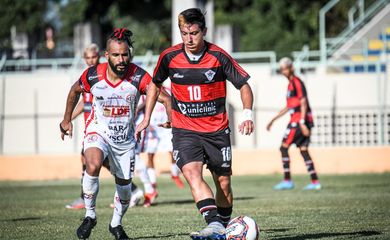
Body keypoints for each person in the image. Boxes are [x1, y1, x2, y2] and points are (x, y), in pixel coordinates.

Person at [135, 8, 254, 240]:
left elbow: (244, 85)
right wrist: (147, 117)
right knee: (191, 172)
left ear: (204, 31)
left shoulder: (218, 56)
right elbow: (154, 85)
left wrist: (247, 113)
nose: (189, 39)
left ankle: (223, 226)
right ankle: (214, 225)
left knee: (224, 183)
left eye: (194, 33)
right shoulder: (169, 56)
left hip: (216, 130)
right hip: (185, 129)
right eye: (184, 33)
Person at [60, 28, 171, 240]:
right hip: (98, 131)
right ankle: (90, 215)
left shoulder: (139, 76)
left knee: (125, 189)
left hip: (125, 140)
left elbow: (164, 98)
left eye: (125, 54)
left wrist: (165, 117)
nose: (121, 59)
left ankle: (115, 224)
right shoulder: (93, 75)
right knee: (92, 164)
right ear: (106, 55)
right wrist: (66, 120)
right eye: (116, 55)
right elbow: (75, 91)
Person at [65, 44, 143, 210]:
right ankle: (131, 190)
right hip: (93, 129)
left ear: (101, 56)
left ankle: (86, 199)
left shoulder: (103, 76)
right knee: (90, 161)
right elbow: (83, 102)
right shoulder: (89, 78)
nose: (91, 61)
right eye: (88, 58)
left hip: (107, 131)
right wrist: (67, 119)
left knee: (94, 162)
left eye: (93, 57)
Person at [266, 57, 321, 190]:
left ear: (291, 68)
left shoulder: (297, 82)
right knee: (303, 150)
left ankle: (287, 180)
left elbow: (303, 102)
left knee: (283, 148)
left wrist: (302, 122)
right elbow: (289, 106)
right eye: (281, 69)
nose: (283, 71)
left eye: (285, 68)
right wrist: (273, 119)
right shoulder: (290, 84)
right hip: (298, 120)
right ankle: (315, 182)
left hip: (298, 122)